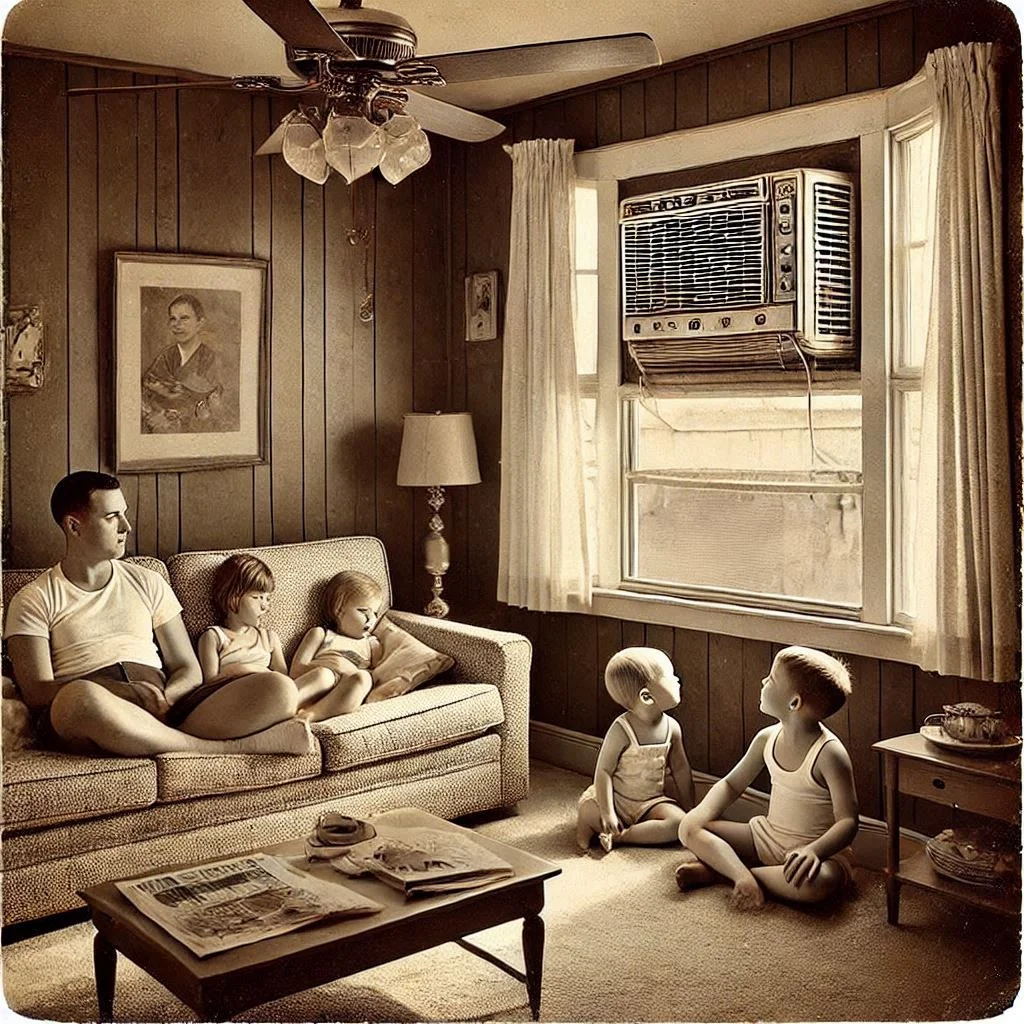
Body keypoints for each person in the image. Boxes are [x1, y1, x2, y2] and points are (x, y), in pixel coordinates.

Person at [3, 471, 310, 756]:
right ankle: (220, 749)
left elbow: (187, 666)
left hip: (163, 704)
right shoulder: (33, 598)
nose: (126, 526)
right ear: (73, 526)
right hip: (99, 711)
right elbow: (37, 691)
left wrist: (169, 698)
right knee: (79, 698)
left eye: (124, 513)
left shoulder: (147, 581)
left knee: (280, 689)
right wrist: (118, 691)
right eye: (112, 517)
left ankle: (165, 739)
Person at [676, 645, 859, 908]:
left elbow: (848, 821)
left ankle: (725, 873)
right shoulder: (767, 738)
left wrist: (814, 851)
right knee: (689, 828)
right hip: (767, 838)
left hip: (815, 855)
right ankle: (741, 875)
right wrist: (701, 812)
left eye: (771, 678)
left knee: (821, 883)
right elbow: (731, 784)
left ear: (794, 702)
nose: (763, 681)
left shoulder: (830, 754)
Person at [192, 553, 338, 720]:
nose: (265, 606)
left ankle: (291, 714)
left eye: (268, 598)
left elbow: (285, 680)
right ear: (232, 599)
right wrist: (245, 670)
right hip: (240, 702)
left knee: (324, 676)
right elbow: (209, 687)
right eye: (257, 597)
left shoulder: (268, 638)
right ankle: (283, 715)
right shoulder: (214, 637)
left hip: (274, 694)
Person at [576, 647, 695, 852]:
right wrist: (607, 812)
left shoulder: (672, 728)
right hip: (616, 799)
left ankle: (621, 837)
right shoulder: (621, 729)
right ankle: (589, 826)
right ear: (647, 697)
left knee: (678, 823)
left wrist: (691, 808)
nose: (678, 680)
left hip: (650, 803)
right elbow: (603, 771)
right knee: (588, 809)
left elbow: (681, 769)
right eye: (671, 676)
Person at [289, 570, 402, 720]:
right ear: (338, 608)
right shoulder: (320, 634)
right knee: (324, 675)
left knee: (364, 678)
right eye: (363, 612)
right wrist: (329, 668)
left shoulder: (371, 645)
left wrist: (347, 671)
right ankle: (285, 709)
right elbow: (295, 672)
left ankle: (309, 716)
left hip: (342, 696)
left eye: (375, 614)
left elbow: (377, 678)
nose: (371, 621)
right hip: (311, 689)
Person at [141, 293, 224, 433]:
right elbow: (146, 391)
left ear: (200, 323)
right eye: (173, 319)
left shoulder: (211, 360)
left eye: (184, 318)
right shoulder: (166, 357)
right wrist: (152, 414)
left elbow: (216, 410)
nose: (177, 324)